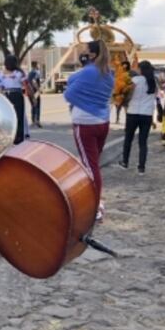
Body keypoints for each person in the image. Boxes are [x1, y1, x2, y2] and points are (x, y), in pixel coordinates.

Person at [64, 40, 114, 221]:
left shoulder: (87, 72)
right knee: (93, 163)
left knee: (90, 167)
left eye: (86, 50)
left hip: (85, 123)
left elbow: (69, 93)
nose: (83, 53)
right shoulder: (108, 73)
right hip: (103, 122)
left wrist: (76, 79)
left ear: (92, 54)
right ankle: (93, 200)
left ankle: (95, 205)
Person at [120, 60, 157, 174]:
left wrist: (123, 101)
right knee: (143, 142)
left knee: (128, 139)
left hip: (133, 112)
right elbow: (155, 99)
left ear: (141, 69)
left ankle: (125, 162)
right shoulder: (153, 82)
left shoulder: (135, 80)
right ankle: (141, 167)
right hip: (147, 114)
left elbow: (128, 95)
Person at [1, 54, 28, 145]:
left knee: (8, 117)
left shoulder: (2, 74)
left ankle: (9, 138)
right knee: (19, 116)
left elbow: (1, 87)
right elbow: (26, 85)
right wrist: (32, 97)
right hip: (17, 95)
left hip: (6, 96)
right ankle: (18, 138)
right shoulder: (19, 73)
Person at [27, 60, 43, 128]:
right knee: (37, 106)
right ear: (36, 65)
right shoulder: (36, 72)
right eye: (38, 64)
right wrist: (38, 89)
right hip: (35, 92)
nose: (39, 66)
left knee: (33, 106)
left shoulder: (30, 73)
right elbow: (34, 81)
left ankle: (33, 121)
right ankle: (37, 121)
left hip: (30, 92)